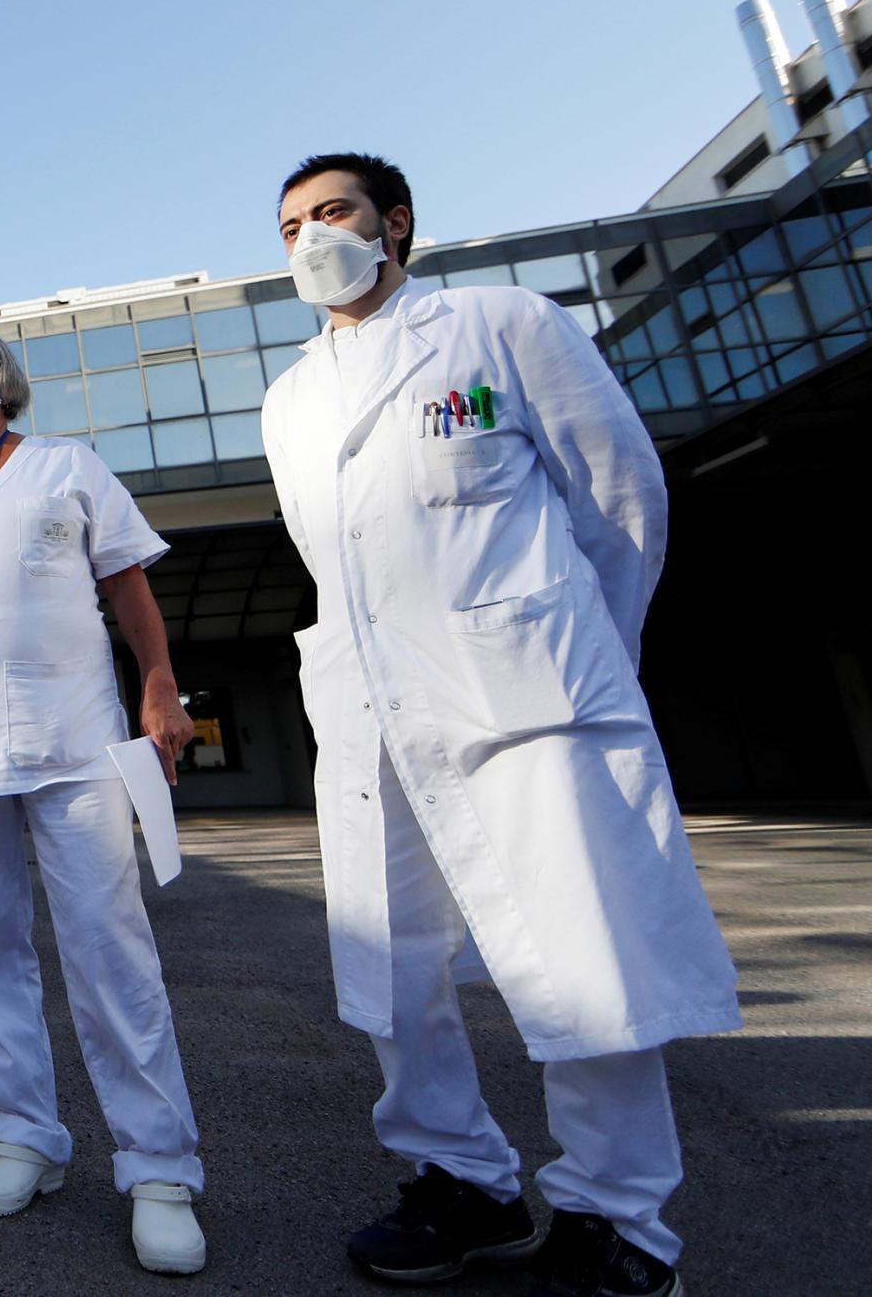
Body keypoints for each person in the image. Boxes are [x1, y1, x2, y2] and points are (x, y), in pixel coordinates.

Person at [262, 153, 739, 1297]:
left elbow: (617, 495)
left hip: (528, 700)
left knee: (581, 955)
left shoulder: (499, 325)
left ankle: (615, 1222)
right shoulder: (288, 399)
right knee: (388, 965)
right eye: (287, 226)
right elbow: (340, 564)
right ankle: (457, 1180)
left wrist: (577, 657)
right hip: (370, 714)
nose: (307, 239)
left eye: (329, 213)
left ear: (394, 224)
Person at [0, 323, 210, 1276]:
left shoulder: (67, 465)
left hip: (74, 743)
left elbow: (126, 581)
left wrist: (158, 685)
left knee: (109, 951)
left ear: (6, 380)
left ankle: (157, 1168)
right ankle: (25, 1134)